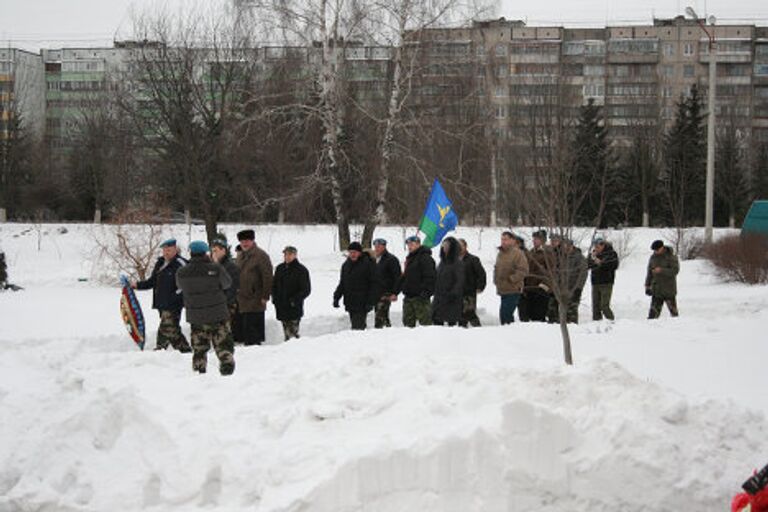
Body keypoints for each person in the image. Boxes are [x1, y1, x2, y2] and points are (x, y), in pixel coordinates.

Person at [175, 241, 235, 375]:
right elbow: (227, 284)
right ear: (206, 252)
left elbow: (179, 286)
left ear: (191, 252)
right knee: (223, 344)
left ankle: (199, 372)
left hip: (196, 316)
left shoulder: (182, 272)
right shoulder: (215, 268)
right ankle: (227, 372)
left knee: (199, 348)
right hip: (218, 314)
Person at [133, 238, 191, 352]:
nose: (166, 253)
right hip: (161, 303)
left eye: (168, 250)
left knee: (167, 328)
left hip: (174, 304)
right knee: (170, 329)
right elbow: (152, 281)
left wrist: (174, 297)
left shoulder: (181, 264)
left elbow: (187, 285)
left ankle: (167, 350)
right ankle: (174, 349)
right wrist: (137, 285)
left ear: (175, 249)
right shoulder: (160, 263)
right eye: (164, 250)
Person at [235, 229, 273, 345]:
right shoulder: (240, 255)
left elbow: (268, 277)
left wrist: (265, 296)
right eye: (242, 241)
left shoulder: (261, 255)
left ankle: (255, 353)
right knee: (242, 331)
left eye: (247, 241)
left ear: (252, 241)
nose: (244, 244)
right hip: (241, 298)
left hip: (255, 299)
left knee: (253, 333)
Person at [333, 242, 376, 330]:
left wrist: (370, 301)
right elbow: (342, 283)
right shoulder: (346, 265)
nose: (353, 254)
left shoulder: (367, 264)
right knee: (355, 326)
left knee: (358, 328)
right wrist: (336, 297)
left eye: (355, 252)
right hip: (350, 301)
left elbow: (373, 284)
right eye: (351, 252)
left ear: (360, 253)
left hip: (362, 303)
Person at [272, 246, 311, 340]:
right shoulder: (280, 268)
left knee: (293, 334)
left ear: (295, 255)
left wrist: (294, 300)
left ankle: (294, 351)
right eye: (285, 254)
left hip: (294, 307)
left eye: (290, 254)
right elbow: (274, 285)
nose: (287, 256)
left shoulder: (301, 270)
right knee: (286, 332)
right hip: (281, 306)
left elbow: (306, 290)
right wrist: (275, 298)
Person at [398, 235, 436, 327]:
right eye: (408, 244)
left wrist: (426, 292)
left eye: (412, 244)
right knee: (408, 325)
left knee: (426, 325)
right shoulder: (410, 258)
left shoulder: (425, 258)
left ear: (418, 244)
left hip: (421, 298)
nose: (409, 246)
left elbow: (430, 277)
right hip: (408, 297)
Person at [494, 231, 529, 324]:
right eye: (502, 239)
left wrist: (512, 279)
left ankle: (510, 333)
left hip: (513, 289)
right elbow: (497, 268)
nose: (503, 242)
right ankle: (508, 333)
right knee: (504, 315)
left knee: (506, 314)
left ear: (512, 241)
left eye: (506, 239)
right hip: (502, 289)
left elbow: (523, 270)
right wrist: (495, 279)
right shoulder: (500, 253)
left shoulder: (518, 253)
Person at [210, 235, 240, 339]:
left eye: (216, 250)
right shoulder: (211, 265)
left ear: (224, 250)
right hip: (214, 304)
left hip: (227, 304)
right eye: (212, 250)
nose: (213, 253)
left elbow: (232, 287)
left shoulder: (231, 266)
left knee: (224, 331)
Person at [432, 237, 465, 326]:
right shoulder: (442, 263)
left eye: (447, 246)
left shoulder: (457, 263)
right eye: (443, 245)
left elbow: (459, 281)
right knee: (437, 323)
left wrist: (452, 294)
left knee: (451, 325)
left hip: (451, 300)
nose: (444, 248)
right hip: (439, 298)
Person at [522, 230, 553, 322]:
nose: (534, 241)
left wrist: (545, 285)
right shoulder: (531, 252)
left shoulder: (548, 253)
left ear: (543, 240)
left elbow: (551, 271)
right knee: (530, 315)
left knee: (539, 316)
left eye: (537, 239)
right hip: (530, 288)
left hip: (541, 288)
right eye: (534, 239)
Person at [645, 239, 680, 319]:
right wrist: (647, 285)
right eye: (654, 250)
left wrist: (661, 270)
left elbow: (675, 270)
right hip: (657, 290)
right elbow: (649, 272)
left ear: (662, 248)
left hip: (669, 289)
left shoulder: (671, 256)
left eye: (657, 250)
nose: (656, 251)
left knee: (674, 314)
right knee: (652, 316)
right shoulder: (653, 257)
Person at [588, 237, 619, 321]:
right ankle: (596, 323)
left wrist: (600, 263)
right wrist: (591, 258)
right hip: (595, 282)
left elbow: (613, 266)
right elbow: (588, 265)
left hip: (606, 282)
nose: (596, 248)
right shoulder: (594, 254)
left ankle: (611, 321)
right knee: (595, 306)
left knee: (604, 306)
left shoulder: (611, 254)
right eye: (595, 246)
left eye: (597, 246)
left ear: (603, 245)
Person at [371, 238, 401, 328]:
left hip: (386, 292)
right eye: (375, 246)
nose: (377, 248)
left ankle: (381, 335)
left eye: (379, 246)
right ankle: (388, 333)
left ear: (384, 247)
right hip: (376, 293)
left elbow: (398, 277)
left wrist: (395, 293)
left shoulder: (391, 259)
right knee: (382, 316)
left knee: (380, 318)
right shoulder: (374, 259)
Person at [458, 238, 486, 327]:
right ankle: (462, 331)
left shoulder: (473, 259)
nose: (459, 248)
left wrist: (480, 286)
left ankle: (478, 329)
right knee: (460, 314)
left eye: (461, 246)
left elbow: (481, 274)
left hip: (469, 291)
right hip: (457, 292)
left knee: (469, 313)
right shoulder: (453, 260)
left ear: (466, 247)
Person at [562, 239, 588, 324]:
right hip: (564, 288)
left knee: (572, 309)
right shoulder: (563, 257)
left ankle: (573, 326)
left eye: (568, 246)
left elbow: (583, 274)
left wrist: (578, 288)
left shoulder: (580, 258)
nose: (566, 249)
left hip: (574, 288)